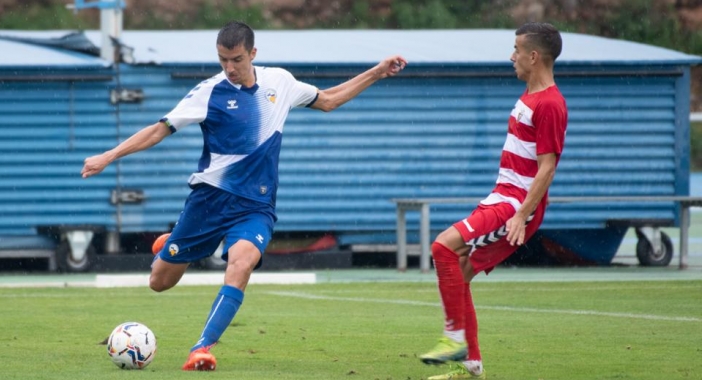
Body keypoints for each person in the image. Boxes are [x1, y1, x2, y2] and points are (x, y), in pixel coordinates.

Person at [81, 20, 407, 371]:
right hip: (209, 202)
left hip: (255, 206)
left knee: (241, 263)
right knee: (159, 282)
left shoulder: (279, 83)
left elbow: (327, 101)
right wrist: (108, 156)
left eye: (236, 59)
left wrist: (376, 72)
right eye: (222, 60)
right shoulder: (210, 92)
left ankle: (202, 348)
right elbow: (160, 130)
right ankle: (172, 243)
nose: (230, 68)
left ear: (253, 53)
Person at [419, 22, 567, 380]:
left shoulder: (550, 104)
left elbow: (548, 167)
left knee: (442, 248)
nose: (511, 56)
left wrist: (521, 214)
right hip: (502, 198)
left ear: (534, 56)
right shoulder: (530, 97)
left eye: (517, 49)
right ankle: (471, 366)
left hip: (513, 205)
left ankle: (454, 339)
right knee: (460, 274)